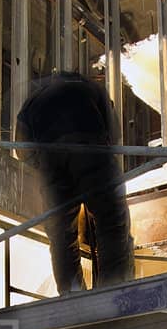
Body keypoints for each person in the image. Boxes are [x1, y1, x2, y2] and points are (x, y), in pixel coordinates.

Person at [14, 72, 134, 293]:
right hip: (90, 148)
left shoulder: (30, 103)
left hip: (51, 160)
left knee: (61, 233)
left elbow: (22, 152)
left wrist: (47, 170)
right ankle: (115, 289)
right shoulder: (91, 88)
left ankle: (71, 293)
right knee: (111, 219)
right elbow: (114, 135)